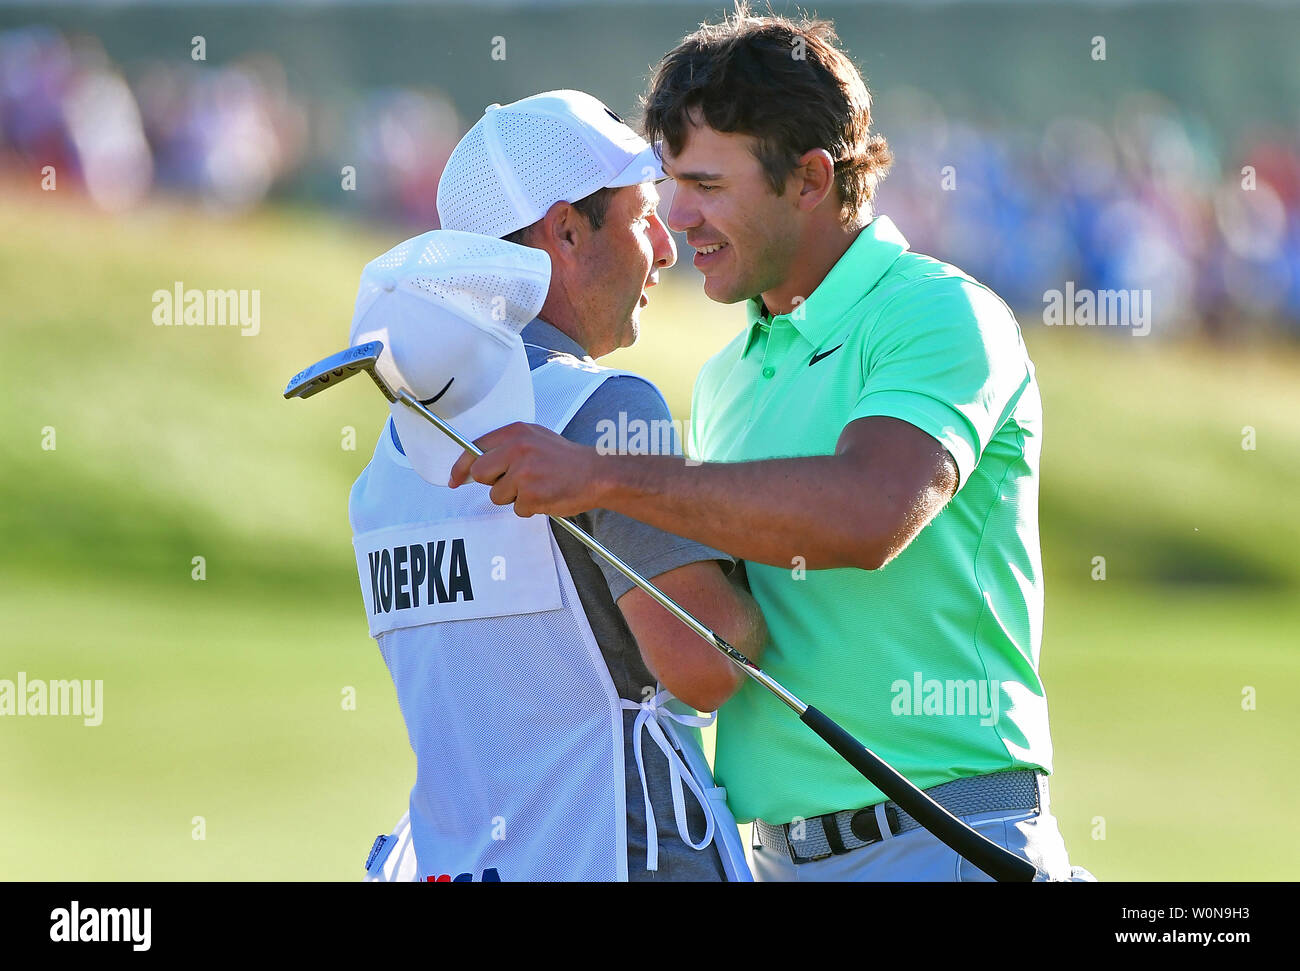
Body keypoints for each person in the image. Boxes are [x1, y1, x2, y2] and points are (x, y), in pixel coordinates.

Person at [449, 8, 1086, 881]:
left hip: (941, 842)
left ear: (810, 179)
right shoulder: (726, 375)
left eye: (708, 185)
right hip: (775, 859)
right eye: (671, 184)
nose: (679, 221)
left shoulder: (939, 313)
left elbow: (869, 514)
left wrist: (601, 476)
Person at [354, 90, 765, 882]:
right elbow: (705, 663)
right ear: (567, 232)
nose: (666, 247)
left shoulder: (389, 458)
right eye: (644, 215)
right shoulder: (605, 405)